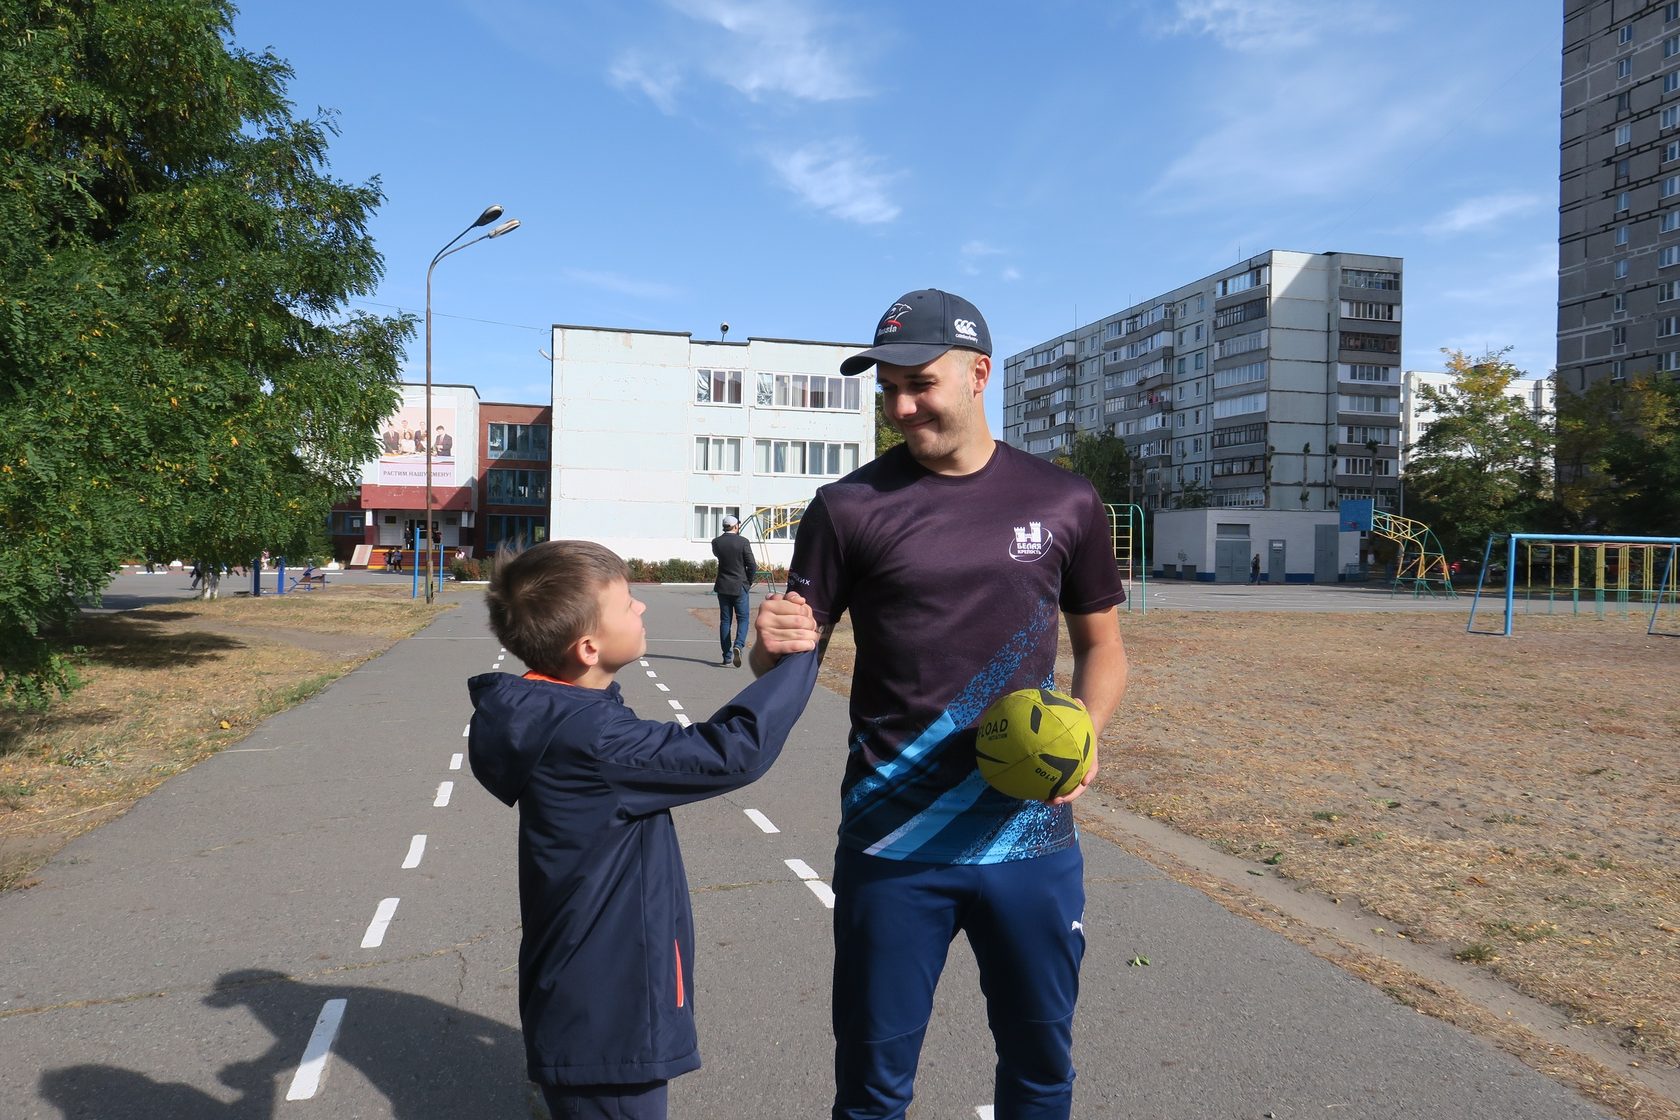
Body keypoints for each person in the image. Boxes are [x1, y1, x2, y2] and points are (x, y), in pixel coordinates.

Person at [752, 288, 1129, 1120]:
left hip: (1029, 841)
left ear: (978, 374)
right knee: (873, 1089)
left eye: (918, 383)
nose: (900, 406)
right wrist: (767, 638)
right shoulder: (847, 509)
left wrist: (1088, 735)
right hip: (894, 845)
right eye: (886, 390)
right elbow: (784, 657)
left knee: (1040, 1070)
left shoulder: (1064, 501)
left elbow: (1103, 649)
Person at [467, 540, 821, 1120]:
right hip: (608, 1014)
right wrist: (804, 654)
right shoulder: (593, 739)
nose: (642, 610)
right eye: (628, 604)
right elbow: (733, 751)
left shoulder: (557, 711)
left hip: (586, 995)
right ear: (588, 648)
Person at [711, 514, 756, 667]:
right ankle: (739, 645)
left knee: (725, 621)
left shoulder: (716, 542)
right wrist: (748, 582)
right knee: (743, 619)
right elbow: (752, 565)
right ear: (736, 526)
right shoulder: (743, 542)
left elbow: (720, 556)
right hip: (740, 586)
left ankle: (727, 655)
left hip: (723, 585)